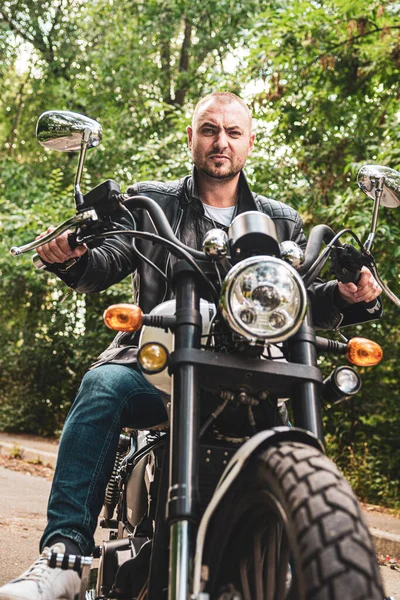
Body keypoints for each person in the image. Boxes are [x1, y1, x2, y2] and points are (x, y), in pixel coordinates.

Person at [0, 92, 382, 600]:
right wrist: (72, 257)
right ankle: (63, 556)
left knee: (291, 433)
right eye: (209, 129)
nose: (220, 141)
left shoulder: (281, 221)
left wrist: (346, 295)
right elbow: (110, 255)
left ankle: (300, 562)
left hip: (247, 373)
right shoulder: (153, 201)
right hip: (156, 365)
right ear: (191, 137)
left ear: (249, 142)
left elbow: (300, 296)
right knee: (102, 385)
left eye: (232, 132)